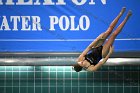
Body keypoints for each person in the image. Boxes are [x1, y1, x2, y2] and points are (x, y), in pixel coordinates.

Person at [73, 7, 132, 72]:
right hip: (102, 53)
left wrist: (97, 39)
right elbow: (102, 62)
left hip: (96, 47)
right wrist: (110, 53)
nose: (81, 62)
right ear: (82, 67)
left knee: (109, 30)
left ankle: (120, 14)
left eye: (79, 62)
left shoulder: (80, 58)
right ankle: (126, 18)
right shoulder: (90, 68)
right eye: (81, 63)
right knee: (114, 34)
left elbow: (89, 47)